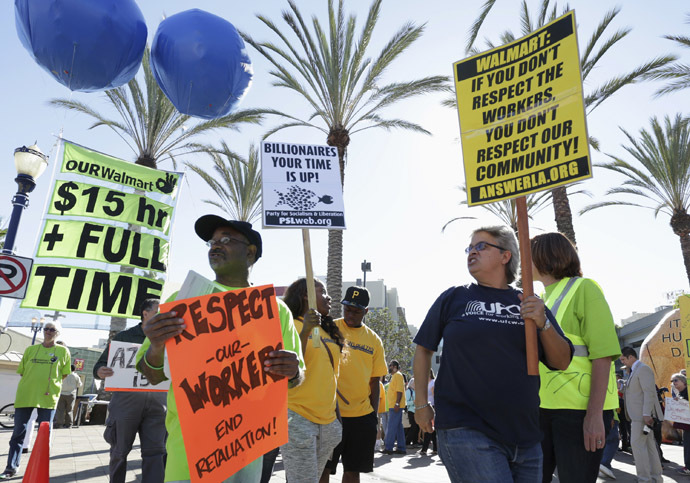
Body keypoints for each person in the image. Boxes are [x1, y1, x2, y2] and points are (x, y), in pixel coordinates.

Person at [136, 216, 305, 483]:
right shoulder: (182, 302)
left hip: (247, 451)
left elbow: (295, 379)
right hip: (189, 454)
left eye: (225, 240)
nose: (215, 246)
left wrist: (293, 371)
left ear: (250, 252)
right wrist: (156, 345)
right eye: (212, 242)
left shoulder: (275, 311)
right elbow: (153, 374)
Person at [413, 225, 573, 483]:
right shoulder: (454, 298)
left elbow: (562, 361)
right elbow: (423, 350)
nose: (471, 253)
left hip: (527, 437)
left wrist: (542, 322)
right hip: (466, 429)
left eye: (481, 246)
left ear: (505, 255)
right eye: (470, 248)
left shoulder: (529, 301)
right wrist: (422, 405)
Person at [530, 232, 621, 483]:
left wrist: (593, 417)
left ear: (544, 257)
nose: (521, 262)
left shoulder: (584, 288)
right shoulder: (540, 299)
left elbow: (603, 355)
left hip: (579, 413)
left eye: (526, 255)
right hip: (543, 410)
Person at [93, 298, 167, 483]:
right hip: (126, 403)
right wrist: (100, 371)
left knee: (157, 452)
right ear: (145, 313)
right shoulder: (124, 337)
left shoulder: (171, 338)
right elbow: (101, 364)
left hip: (159, 403)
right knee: (119, 451)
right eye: (158, 312)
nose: (162, 316)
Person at [280, 278, 345, 482]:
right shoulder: (290, 325)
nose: (329, 297)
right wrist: (306, 329)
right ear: (306, 294)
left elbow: (328, 376)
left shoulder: (325, 330)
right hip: (299, 417)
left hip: (327, 422)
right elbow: (289, 364)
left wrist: (336, 418)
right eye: (322, 291)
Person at [324, 286, 387, 483]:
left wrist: (373, 417)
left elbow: (375, 382)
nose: (350, 314)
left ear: (366, 311)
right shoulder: (329, 328)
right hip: (329, 414)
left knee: (352, 471)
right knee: (323, 469)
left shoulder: (374, 340)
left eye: (356, 311)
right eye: (347, 309)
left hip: (361, 418)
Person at [1, 321, 71, 479]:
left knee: (44, 435)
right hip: (25, 396)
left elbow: (64, 374)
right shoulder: (30, 350)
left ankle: (39, 469)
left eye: (52, 329)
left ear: (57, 333)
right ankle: (10, 469)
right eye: (46, 329)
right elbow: (22, 372)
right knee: (18, 433)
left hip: (48, 398)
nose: (48, 331)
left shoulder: (63, 351)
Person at [619, 346, 663, 483]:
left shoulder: (642, 369)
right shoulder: (635, 370)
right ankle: (655, 478)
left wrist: (646, 414)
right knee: (649, 447)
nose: (622, 362)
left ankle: (644, 479)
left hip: (641, 416)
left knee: (638, 447)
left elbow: (649, 393)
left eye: (623, 359)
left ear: (631, 357)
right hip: (640, 416)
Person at [383, 360, 407, 455]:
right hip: (394, 405)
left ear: (395, 366)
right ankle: (401, 448)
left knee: (391, 426)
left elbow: (399, 391)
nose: (389, 367)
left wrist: (397, 404)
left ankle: (388, 448)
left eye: (391, 365)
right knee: (398, 427)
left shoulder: (398, 375)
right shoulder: (395, 376)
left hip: (395, 406)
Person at [670, 373, 690, 475]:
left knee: (688, 445)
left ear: (683, 381)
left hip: (688, 425)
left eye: (676, 380)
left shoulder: (687, 391)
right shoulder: (680, 392)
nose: (673, 383)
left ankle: (688, 468)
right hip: (686, 425)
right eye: (672, 381)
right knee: (686, 444)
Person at [419, 369, 437, 456]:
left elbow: (435, 395)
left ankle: (424, 449)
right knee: (432, 429)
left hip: (431, 407)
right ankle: (436, 448)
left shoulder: (433, 382)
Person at [405, 378, 420, 447]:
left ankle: (415, 442)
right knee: (413, 427)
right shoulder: (408, 391)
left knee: (417, 427)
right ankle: (407, 442)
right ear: (411, 383)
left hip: (416, 411)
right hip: (411, 411)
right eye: (414, 383)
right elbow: (406, 403)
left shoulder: (414, 391)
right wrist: (413, 402)